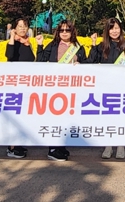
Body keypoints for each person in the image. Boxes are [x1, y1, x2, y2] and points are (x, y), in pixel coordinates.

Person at [85, 18, 125, 159]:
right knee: (108, 117)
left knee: (121, 117)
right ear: (107, 30)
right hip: (107, 87)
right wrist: (93, 44)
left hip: (123, 87)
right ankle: (108, 145)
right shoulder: (102, 46)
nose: (114, 31)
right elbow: (91, 61)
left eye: (116, 28)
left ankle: (121, 145)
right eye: (111, 28)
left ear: (120, 29)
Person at [36, 20, 86, 161]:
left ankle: (61, 146)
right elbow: (40, 61)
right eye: (61, 30)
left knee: (67, 118)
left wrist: (81, 65)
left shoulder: (78, 47)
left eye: (67, 30)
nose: (64, 33)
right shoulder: (53, 45)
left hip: (73, 88)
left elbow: (87, 63)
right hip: (56, 88)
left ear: (72, 32)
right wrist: (39, 45)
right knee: (55, 117)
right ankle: (53, 148)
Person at [5, 18, 38, 159]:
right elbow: (9, 55)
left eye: (25, 26)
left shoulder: (27, 43)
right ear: (14, 28)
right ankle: (11, 147)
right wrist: (12, 37)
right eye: (19, 26)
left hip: (26, 85)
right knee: (14, 116)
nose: (23, 29)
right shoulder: (13, 42)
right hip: (15, 85)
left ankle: (18, 143)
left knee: (23, 116)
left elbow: (31, 60)